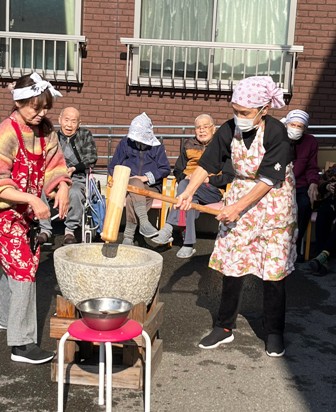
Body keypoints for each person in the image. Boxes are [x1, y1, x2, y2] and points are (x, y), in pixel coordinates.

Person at [175, 76, 297, 357]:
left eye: (244, 112)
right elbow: (208, 163)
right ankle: (224, 326)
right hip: (241, 193)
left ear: (263, 109)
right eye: (235, 110)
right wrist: (189, 191)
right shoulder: (230, 129)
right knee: (233, 263)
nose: (238, 117)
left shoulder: (278, 132)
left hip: (274, 202)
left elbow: (268, 179)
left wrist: (236, 207)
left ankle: (274, 330)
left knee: (273, 270)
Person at [0, 73, 71, 364]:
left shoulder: (46, 131)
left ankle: (6, 320)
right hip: (6, 213)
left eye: (45, 108)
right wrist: (31, 198)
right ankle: (22, 344)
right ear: (19, 103)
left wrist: (63, 186)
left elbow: (55, 164)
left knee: (11, 272)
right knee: (23, 273)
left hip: (26, 215)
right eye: (35, 107)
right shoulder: (7, 132)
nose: (41, 113)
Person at [151, 114, 234, 258]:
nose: (202, 130)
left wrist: (208, 180)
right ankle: (188, 244)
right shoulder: (188, 145)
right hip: (190, 190)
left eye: (205, 127)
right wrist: (186, 177)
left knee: (185, 187)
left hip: (212, 190)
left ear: (213, 129)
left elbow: (228, 176)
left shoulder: (222, 147)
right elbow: (178, 170)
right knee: (189, 197)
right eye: (198, 127)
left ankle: (169, 227)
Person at [107, 112, 171, 245]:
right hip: (127, 183)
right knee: (134, 184)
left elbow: (165, 169)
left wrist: (145, 178)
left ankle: (128, 235)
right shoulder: (125, 143)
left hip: (150, 185)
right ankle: (144, 223)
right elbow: (113, 167)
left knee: (132, 196)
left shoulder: (157, 147)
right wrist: (124, 177)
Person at [38, 107, 97, 245]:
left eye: (73, 121)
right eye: (66, 120)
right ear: (59, 120)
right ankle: (45, 229)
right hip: (52, 177)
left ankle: (69, 230)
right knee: (39, 190)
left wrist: (74, 168)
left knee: (76, 192)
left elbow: (92, 158)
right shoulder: (52, 136)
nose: (69, 125)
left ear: (79, 124)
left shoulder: (85, 135)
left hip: (76, 176)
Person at [281, 110, 319, 262]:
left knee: (304, 206)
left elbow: (311, 167)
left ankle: (294, 245)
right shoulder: (279, 138)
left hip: (299, 185)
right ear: (286, 124)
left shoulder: (310, 142)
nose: (296, 128)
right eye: (293, 125)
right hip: (278, 184)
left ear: (305, 129)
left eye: (300, 126)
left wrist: (314, 183)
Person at [300, 163, 336, 275]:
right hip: (331, 204)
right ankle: (322, 257)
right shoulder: (334, 170)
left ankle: (323, 257)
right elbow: (319, 180)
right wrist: (327, 186)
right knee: (323, 213)